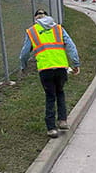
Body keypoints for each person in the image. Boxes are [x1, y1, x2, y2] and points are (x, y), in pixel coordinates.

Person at [20, 8, 80, 138]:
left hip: (45, 69)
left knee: (50, 96)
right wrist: (75, 64)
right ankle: (63, 120)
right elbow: (71, 46)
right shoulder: (58, 28)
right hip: (61, 67)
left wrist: (23, 66)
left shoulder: (32, 31)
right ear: (48, 17)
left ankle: (51, 128)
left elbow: (24, 53)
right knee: (60, 92)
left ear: (36, 19)